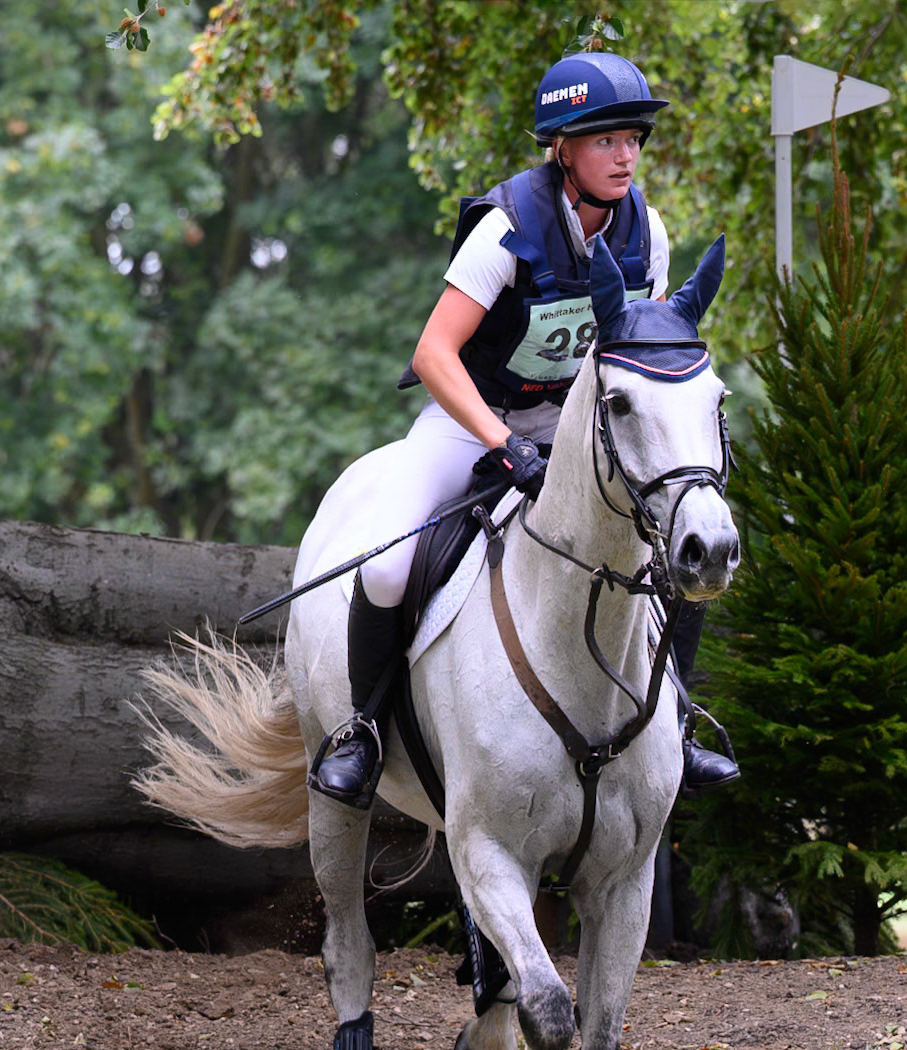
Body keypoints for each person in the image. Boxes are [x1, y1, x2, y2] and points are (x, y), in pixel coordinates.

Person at [310, 51, 739, 809]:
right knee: (383, 569)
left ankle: (679, 718)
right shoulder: (507, 228)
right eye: (606, 140)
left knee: (672, 549)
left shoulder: (649, 233)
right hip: (469, 420)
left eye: (633, 138)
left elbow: (645, 352)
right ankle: (363, 731)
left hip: (578, 434)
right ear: (562, 148)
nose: (626, 154)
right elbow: (433, 355)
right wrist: (504, 444)